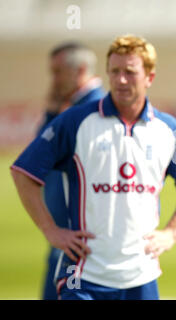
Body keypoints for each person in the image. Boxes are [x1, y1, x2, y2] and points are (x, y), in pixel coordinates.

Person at [11, 34, 176, 300]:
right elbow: (24, 172)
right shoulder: (76, 121)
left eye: (130, 72)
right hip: (82, 276)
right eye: (115, 71)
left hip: (142, 276)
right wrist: (51, 230)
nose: (121, 79)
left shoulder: (169, 130)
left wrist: (172, 233)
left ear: (149, 77)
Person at [38, 42, 105, 300]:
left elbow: (37, 158)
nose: (53, 80)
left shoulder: (91, 112)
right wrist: (51, 111)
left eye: (58, 72)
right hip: (65, 234)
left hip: (77, 239)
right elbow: (39, 156)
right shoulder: (71, 108)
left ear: (80, 69)